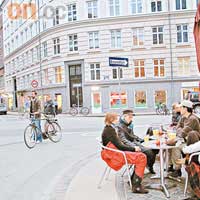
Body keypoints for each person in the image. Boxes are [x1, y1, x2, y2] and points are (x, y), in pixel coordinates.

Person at [101, 112, 149, 194]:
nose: (118, 120)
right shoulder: (110, 130)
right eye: (116, 119)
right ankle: (136, 186)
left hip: (114, 152)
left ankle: (134, 180)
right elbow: (120, 146)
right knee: (142, 157)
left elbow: (120, 145)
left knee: (141, 155)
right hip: (115, 155)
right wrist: (133, 148)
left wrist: (132, 149)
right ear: (111, 120)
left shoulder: (109, 128)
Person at [117, 109, 157, 174]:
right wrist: (134, 146)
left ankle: (149, 164)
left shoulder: (128, 124)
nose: (131, 119)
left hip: (134, 142)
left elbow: (132, 135)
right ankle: (149, 166)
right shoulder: (119, 126)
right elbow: (123, 140)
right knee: (150, 152)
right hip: (130, 146)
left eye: (132, 117)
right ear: (124, 117)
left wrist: (141, 139)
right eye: (129, 117)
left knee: (155, 147)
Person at [167, 100, 200, 177]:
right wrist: (179, 130)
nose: (179, 109)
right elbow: (177, 128)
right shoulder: (183, 117)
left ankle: (177, 170)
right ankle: (171, 166)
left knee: (175, 147)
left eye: (181, 107)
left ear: (186, 108)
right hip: (185, 140)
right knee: (171, 146)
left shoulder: (192, 119)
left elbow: (182, 133)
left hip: (193, 144)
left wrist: (180, 131)